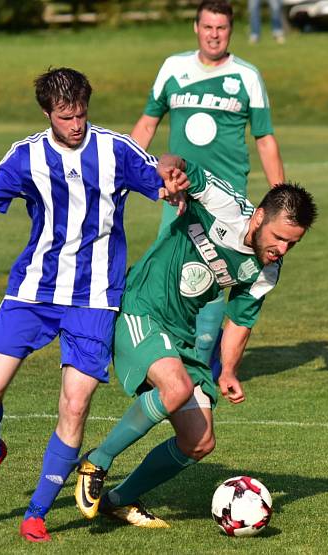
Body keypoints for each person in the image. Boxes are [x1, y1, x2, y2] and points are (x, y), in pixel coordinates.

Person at [0, 67, 187, 543]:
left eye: (82, 113)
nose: (77, 124)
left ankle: (36, 512)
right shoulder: (26, 156)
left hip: (96, 301)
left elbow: (161, 171)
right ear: (48, 114)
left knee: (76, 405)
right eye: (66, 117)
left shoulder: (115, 149)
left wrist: (171, 172)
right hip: (33, 294)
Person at [74, 157, 317, 527]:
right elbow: (180, 165)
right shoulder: (224, 205)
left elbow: (239, 320)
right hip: (143, 308)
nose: (282, 249)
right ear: (258, 218)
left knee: (199, 442)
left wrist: (229, 370)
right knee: (175, 387)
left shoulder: (267, 269)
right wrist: (170, 175)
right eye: (279, 238)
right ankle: (97, 461)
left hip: (181, 333)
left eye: (292, 244)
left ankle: (118, 500)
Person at [130, 0, 285, 369]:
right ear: (196, 28)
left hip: (224, 200)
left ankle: (202, 366)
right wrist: (124, 168)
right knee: (171, 273)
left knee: (216, 277)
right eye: (208, 27)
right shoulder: (173, 68)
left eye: (222, 28)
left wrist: (281, 203)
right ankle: (166, 353)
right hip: (180, 194)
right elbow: (148, 123)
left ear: (230, 31)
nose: (214, 35)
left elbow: (264, 138)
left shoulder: (247, 76)